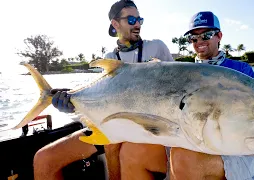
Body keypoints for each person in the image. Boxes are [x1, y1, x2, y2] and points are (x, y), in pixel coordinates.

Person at [32, 0, 174, 180]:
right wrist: (73, 105)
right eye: (131, 20)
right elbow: (101, 98)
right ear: (115, 23)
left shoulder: (157, 47)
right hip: (112, 126)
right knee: (44, 158)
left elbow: (174, 87)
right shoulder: (109, 58)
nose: (137, 24)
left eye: (140, 19)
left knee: (113, 142)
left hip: (148, 127)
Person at [167, 11, 254, 180]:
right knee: (135, 149)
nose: (199, 42)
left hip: (235, 153)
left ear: (219, 36)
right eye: (194, 38)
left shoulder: (242, 71)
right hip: (192, 141)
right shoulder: (183, 73)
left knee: (182, 157)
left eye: (206, 35)